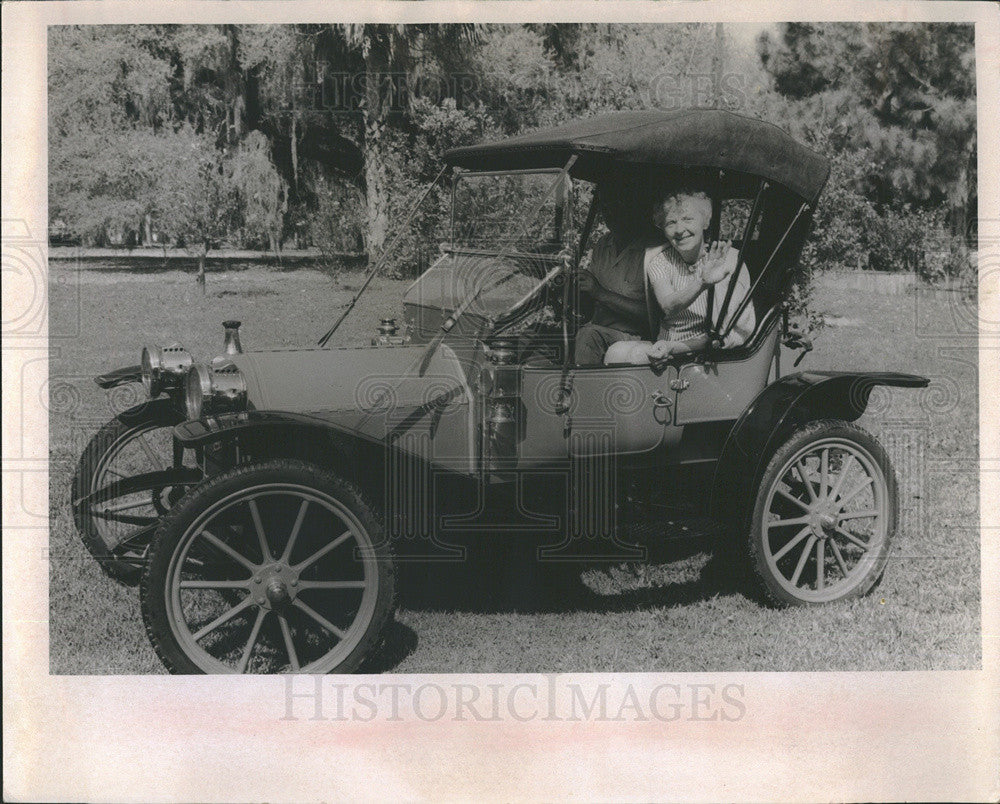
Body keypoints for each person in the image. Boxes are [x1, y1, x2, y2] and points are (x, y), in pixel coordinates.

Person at [603, 189, 756, 365]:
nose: (679, 230)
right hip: (665, 345)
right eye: (671, 223)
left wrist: (674, 348)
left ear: (705, 222)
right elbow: (668, 306)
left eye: (688, 219)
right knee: (615, 352)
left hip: (707, 352)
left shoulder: (726, 259)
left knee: (637, 355)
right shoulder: (660, 261)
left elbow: (725, 335)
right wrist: (701, 282)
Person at [572, 186, 657, 365]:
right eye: (605, 206)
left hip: (639, 339)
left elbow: (656, 316)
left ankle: (586, 392)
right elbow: (589, 304)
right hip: (599, 330)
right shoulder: (603, 245)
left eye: (618, 204)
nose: (610, 212)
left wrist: (600, 293)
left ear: (635, 207)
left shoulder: (654, 250)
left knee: (589, 336)